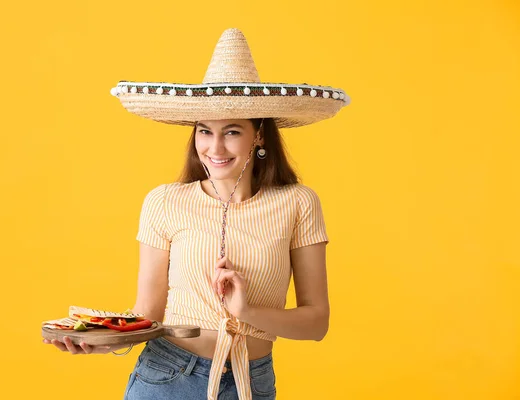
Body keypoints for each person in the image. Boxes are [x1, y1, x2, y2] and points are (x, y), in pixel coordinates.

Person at [43, 28, 349, 400]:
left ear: (259, 136)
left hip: (251, 382)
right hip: (167, 375)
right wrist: (103, 342)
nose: (214, 147)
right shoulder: (164, 201)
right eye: (205, 131)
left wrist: (247, 310)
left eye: (232, 131)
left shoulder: (299, 203)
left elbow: (317, 323)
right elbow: (148, 314)